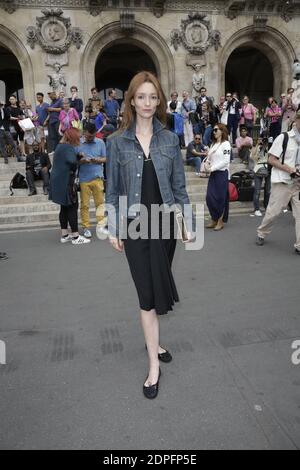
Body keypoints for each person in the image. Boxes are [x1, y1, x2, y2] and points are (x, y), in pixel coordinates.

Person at [106, 71, 194, 399]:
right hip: (134, 225)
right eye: (141, 97)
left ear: (159, 101)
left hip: (164, 224)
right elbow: (113, 189)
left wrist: (187, 223)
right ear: (131, 99)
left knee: (157, 287)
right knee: (146, 295)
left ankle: (154, 341)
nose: (146, 103)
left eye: (152, 97)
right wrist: (113, 228)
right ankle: (153, 364)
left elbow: (180, 187)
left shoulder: (170, 140)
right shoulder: (116, 142)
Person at [256, 111, 300, 254]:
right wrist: (289, 169)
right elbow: (271, 159)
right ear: (296, 120)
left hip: (298, 184)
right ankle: (262, 232)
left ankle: (299, 245)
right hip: (283, 182)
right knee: (273, 213)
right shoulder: (284, 137)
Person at [49, 127, 90, 245]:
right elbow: (72, 163)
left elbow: (69, 160)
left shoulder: (59, 146)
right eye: (78, 137)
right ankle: (76, 236)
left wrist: (76, 157)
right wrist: (80, 157)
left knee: (64, 208)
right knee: (72, 206)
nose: (79, 139)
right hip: (66, 181)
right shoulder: (68, 147)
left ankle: (65, 234)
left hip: (58, 181)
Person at [77, 122, 108, 238]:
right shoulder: (78, 143)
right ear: (84, 133)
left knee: (100, 204)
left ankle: (101, 226)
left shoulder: (100, 142)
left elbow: (106, 158)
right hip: (84, 177)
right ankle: (86, 227)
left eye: (93, 136)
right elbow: (75, 160)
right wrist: (82, 161)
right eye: (89, 136)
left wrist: (97, 160)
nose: (91, 138)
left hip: (97, 176)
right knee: (84, 204)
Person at [205, 123, 231, 231]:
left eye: (216, 130)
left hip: (222, 173)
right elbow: (209, 158)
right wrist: (207, 164)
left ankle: (220, 221)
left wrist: (212, 168)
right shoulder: (213, 144)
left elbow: (226, 161)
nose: (214, 132)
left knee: (220, 198)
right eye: (213, 130)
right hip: (213, 173)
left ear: (222, 131)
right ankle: (214, 218)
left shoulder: (226, 144)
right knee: (209, 197)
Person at [249, 137, 271, 217]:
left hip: (268, 170)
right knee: (257, 191)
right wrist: (258, 145)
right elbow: (252, 157)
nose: (262, 141)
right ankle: (256, 209)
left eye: (264, 139)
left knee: (268, 190)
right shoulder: (256, 147)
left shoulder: (270, 146)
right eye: (260, 139)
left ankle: (267, 207)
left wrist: (267, 145)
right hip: (258, 170)